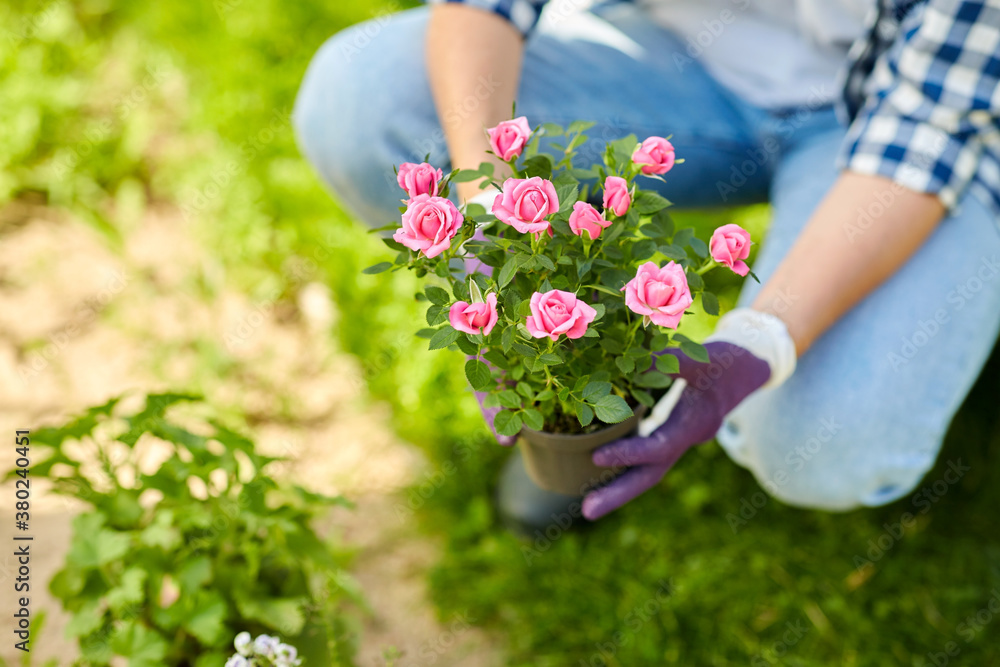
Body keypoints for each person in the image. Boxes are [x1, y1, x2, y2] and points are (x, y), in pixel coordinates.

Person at [292, 0, 1000, 531]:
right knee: (364, 102)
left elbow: (921, 132)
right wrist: (493, 213)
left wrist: (759, 344)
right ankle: (589, 416)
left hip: (929, 115)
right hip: (681, 57)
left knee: (819, 441)